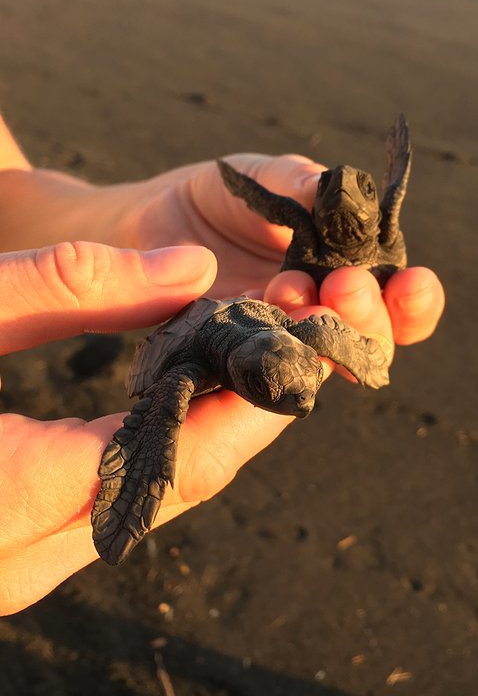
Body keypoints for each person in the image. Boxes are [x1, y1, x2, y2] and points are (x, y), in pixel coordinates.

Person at [0, 115, 445, 615]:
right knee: (162, 421)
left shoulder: (304, 327)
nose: (301, 406)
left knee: (334, 323)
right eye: (278, 395)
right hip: (190, 341)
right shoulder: (192, 369)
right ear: (240, 377)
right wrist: (134, 482)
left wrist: (370, 360)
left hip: (250, 320)